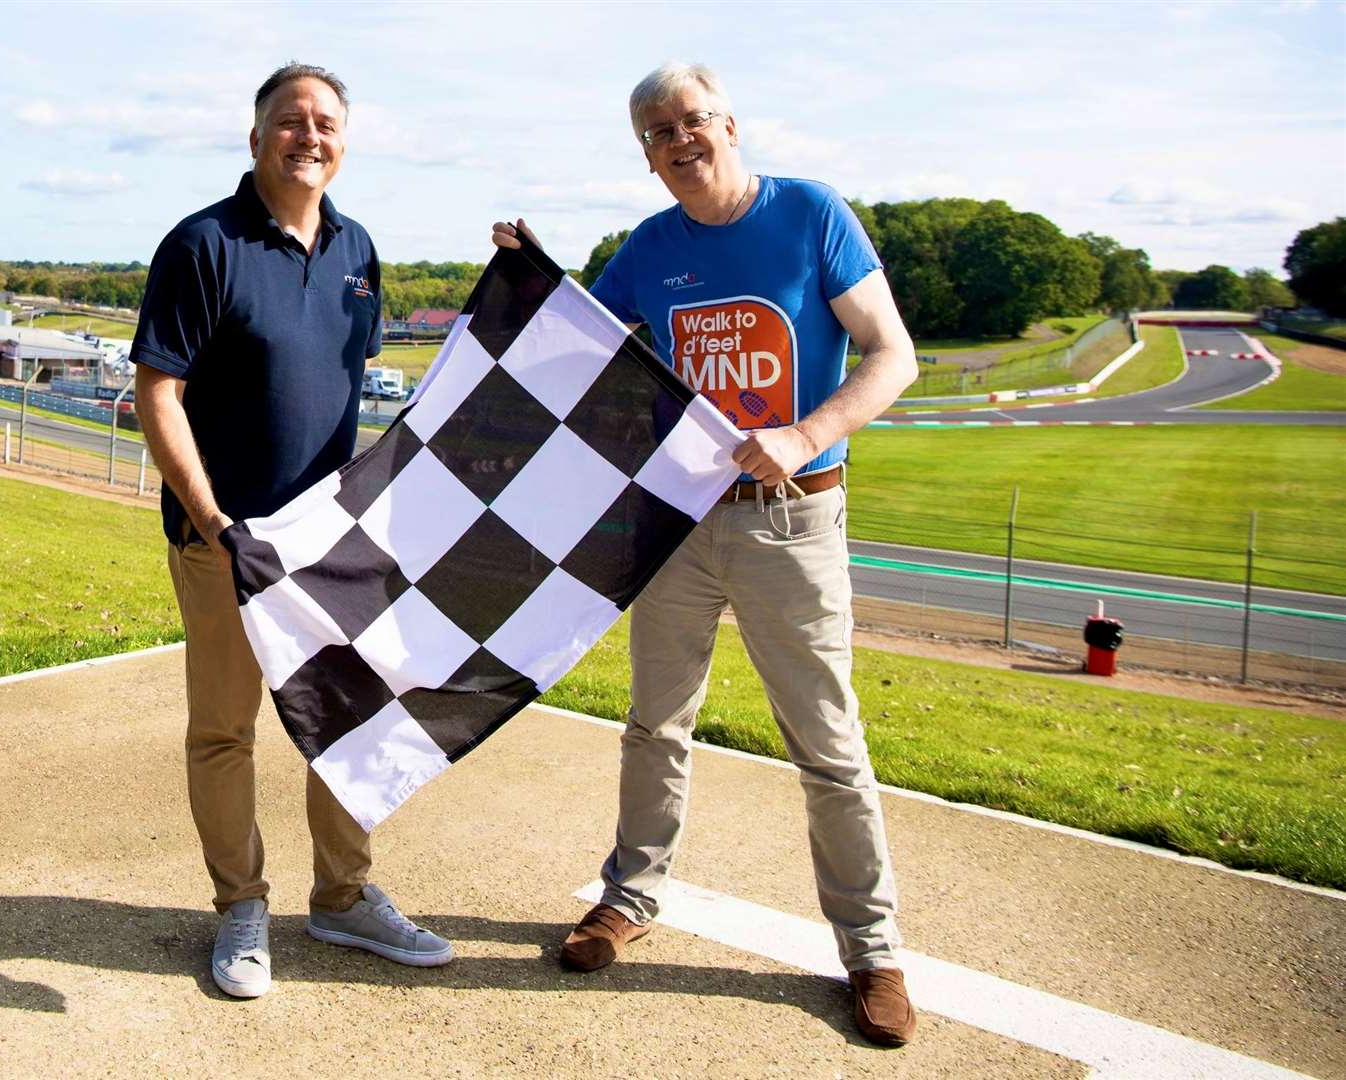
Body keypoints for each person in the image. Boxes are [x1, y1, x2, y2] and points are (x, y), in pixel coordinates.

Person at [494, 62, 920, 1047]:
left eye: (691, 121)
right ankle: (630, 898)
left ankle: (870, 947)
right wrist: (531, 275)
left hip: (793, 518)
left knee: (827, 744)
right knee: (654, 726)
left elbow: (891, 353)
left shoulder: (809, 215)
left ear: (729, 123)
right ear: (647, 158)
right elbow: (577, 350)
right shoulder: (649, 248)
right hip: (677, 525)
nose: (678, 139)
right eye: (656, 132)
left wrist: (806, 436)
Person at [133, 62, 453, 1000]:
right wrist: (212, 521)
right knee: (226, 731)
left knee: (348, 724)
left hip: (330, 543)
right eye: (289, 121)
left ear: (344, 142)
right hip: (226, 542)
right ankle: (241, 906)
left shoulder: (359, 249)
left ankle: (343, 896)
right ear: (256, 137)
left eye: (325, 123)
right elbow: (160, 390)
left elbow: (363, 388)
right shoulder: (202, 244)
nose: (307, 135)